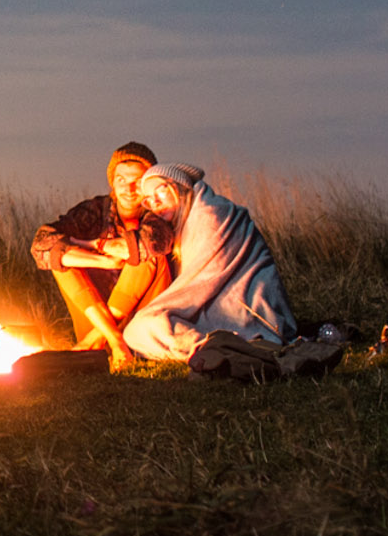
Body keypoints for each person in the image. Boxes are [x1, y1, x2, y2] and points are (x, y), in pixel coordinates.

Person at [120, 163, 297, 361]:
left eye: (159, 192)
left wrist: (159, 309)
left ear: (178, 187)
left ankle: (216, 348)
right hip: (212, 307)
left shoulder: (211, 215)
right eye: (148, 201)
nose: (155, 203)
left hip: (245, 310)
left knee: (142, 326)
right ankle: (213, 347)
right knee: (140, 329)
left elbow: (200, 284)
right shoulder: (183, 223)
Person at [30, 141, 170, 370]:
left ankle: (96, 343)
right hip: (99, 316)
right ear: (112, 182)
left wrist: (97, 244)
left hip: (141, 321)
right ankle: (114, 341)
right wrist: (102, 259)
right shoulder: (95, 210)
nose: (128, 189)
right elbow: (41, 244)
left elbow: (148, 243)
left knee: (149, 255)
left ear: (148, 183)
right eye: (121, 180)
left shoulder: (158, 213)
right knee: (62, 259)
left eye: (136, 182)